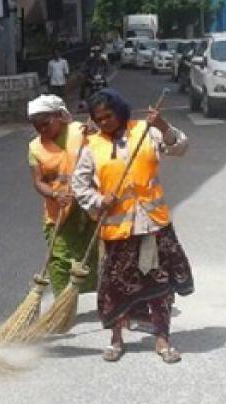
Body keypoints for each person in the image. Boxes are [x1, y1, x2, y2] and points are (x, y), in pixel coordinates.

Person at [72, 89, 193, 363]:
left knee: (160, 284)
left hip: (153, 224)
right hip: (117, 231)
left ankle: (163, 338)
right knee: (115, 287)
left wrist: (162, 125)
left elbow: (180, 147)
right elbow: (79, 186)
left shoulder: (145, 130)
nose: (105, 122)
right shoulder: (92, 145)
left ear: (121, 111)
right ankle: (116, 339)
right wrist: (99, 200)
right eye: (99, 118)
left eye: (109, 116)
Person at [26, 95, 98, 295]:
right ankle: (62, 302)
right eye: (36, 125)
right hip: (59, 209)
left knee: (91, 253)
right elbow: (38, 181)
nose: (41, 129)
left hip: (88, 205)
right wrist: (55, 194)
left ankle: (101, 298)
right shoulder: (34, 148)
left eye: (45, 123)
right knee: (59, 257)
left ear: (59, 116)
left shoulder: (81, 131)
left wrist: (95, 134)